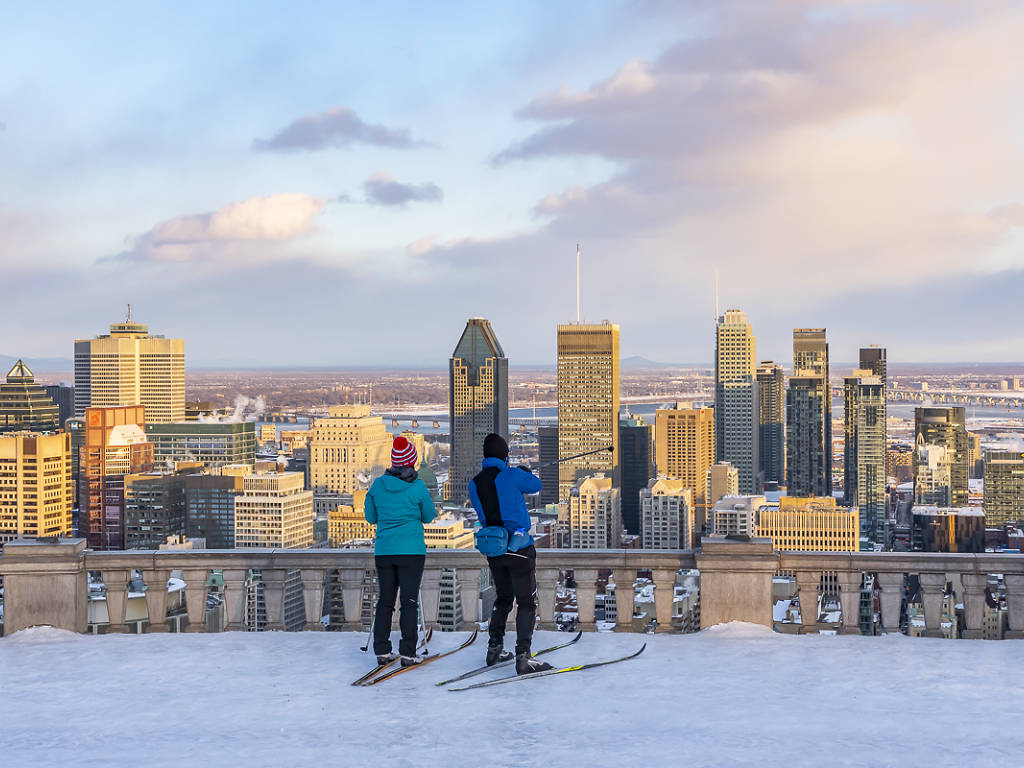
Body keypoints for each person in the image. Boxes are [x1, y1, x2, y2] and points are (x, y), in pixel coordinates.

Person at [469, 433, 553, 675]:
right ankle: (523, 657)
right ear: (505, 454)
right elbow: (535, 485)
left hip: (494, 549)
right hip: (518, 548)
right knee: (526, 602)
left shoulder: (474, 483)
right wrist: (522, 471)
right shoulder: (511, 475)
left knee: (503, 599)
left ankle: (494, 649)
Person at [364, 435, 436, 666]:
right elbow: (428, 516)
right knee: (409, 601)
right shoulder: (418, 487)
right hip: (412, 552)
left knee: (385, 600)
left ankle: (382, 650)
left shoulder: (377, 486)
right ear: (411, 463)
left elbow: (370, 517)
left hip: (384, 551)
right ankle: (408, 652)